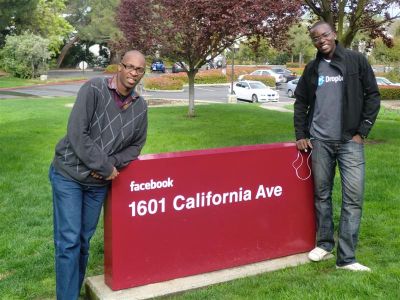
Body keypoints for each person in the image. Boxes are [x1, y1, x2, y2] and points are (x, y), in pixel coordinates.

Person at [49, 50, 148, 299]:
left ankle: (71, 292)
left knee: (83, 242)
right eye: (129, 67)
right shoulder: (93, 89)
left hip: (96, 184)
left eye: (139, 70)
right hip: (69, 175)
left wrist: (108, 164)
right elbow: (76, 133)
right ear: (119, 66)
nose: (133, 73)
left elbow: (136, 146)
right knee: (69, 242)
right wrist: (104, 166)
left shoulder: (140, 107)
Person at [294, 21, 380, 272]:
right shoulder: (312, 68)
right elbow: (301, 102)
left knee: (353, 198)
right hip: (320, 142)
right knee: (322, 195)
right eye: (315, 38)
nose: (321, 40)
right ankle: (324, 244)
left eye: (325, 35)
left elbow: (373, 95)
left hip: (349, 142)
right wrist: (301, 134)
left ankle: (347, 258)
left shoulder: (356, 61)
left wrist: (362, 131)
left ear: (335, 35)